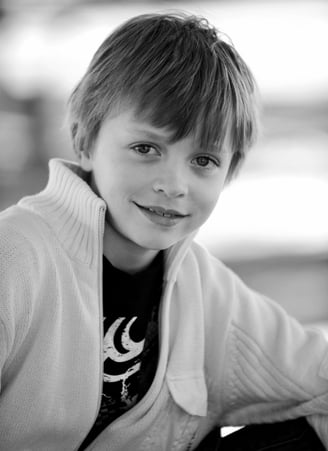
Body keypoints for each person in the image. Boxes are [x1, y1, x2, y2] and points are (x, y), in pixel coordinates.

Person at [0, 12, 327, 451]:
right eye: (145, 148)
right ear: (84, 139)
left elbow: (316, 373)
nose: (174, 185)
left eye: (203, 161)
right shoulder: (16, 258)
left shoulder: (204, 287)